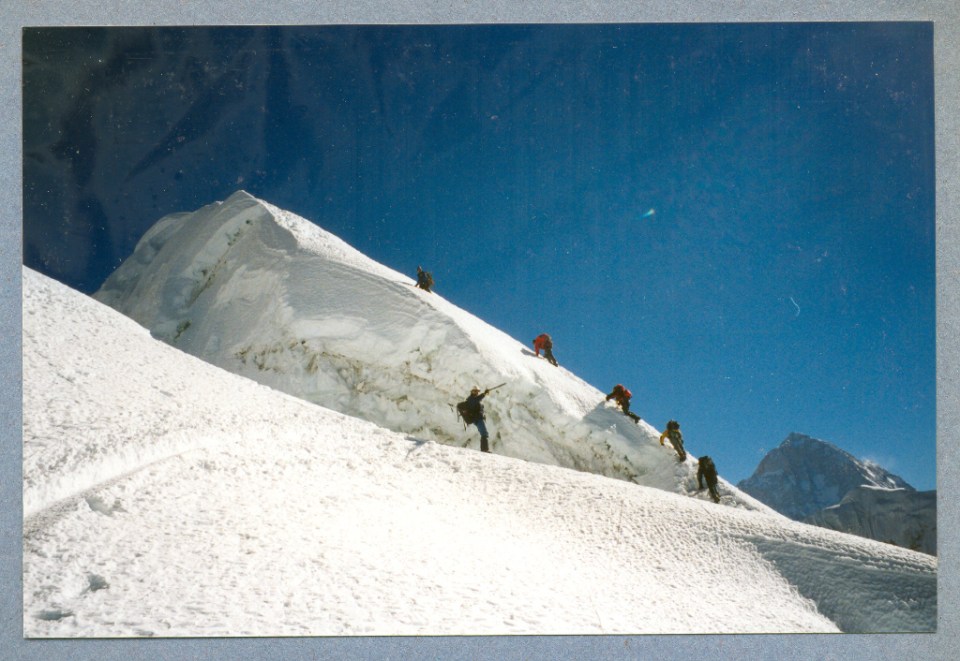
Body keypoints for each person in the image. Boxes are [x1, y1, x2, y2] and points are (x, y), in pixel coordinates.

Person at [462, 386, 491, 452]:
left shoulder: (474, 399)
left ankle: (484, 449)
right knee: (484, 433)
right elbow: (476, 400)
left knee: (484, 433)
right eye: (475, 391)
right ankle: (484, 449)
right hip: (477, 419)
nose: (476, 392)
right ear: (472, 391)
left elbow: (477, 400)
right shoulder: (471, 399)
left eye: (477, 391)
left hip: (478, 418)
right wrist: (484, 394)